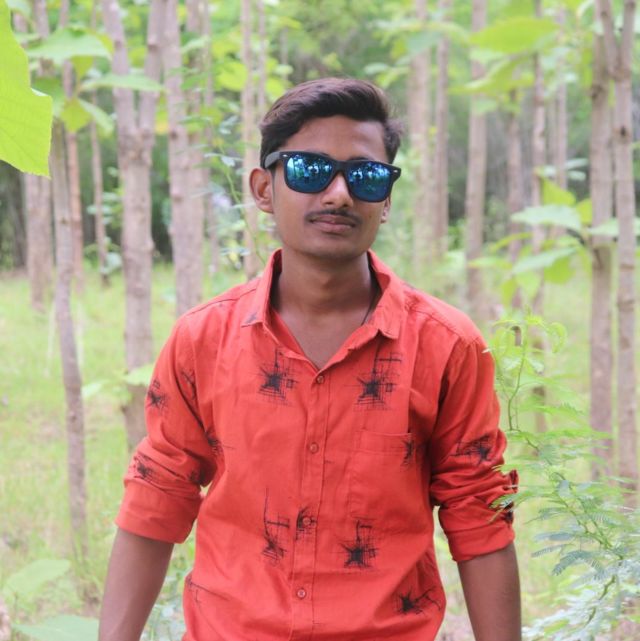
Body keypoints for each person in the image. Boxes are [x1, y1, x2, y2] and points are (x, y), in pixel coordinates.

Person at [99, 77, 521, 641]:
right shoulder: (203, 341)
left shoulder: (446, 346)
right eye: (309, 169)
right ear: (263, 188)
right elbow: (158, 497)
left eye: (366, 176)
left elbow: (479, 517)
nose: (339, 193)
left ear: (386, 201)